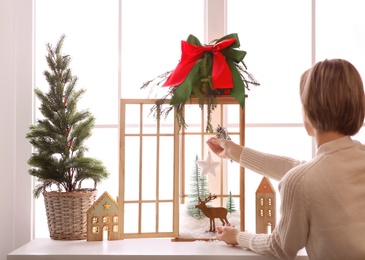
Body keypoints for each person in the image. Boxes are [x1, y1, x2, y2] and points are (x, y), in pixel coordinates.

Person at [206, 59, 365, 260]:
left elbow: (280, 247)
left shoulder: (303, 180)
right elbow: (305, 172)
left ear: (308, 111)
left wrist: (239, 236)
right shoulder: (345, 163)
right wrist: (235, 152)